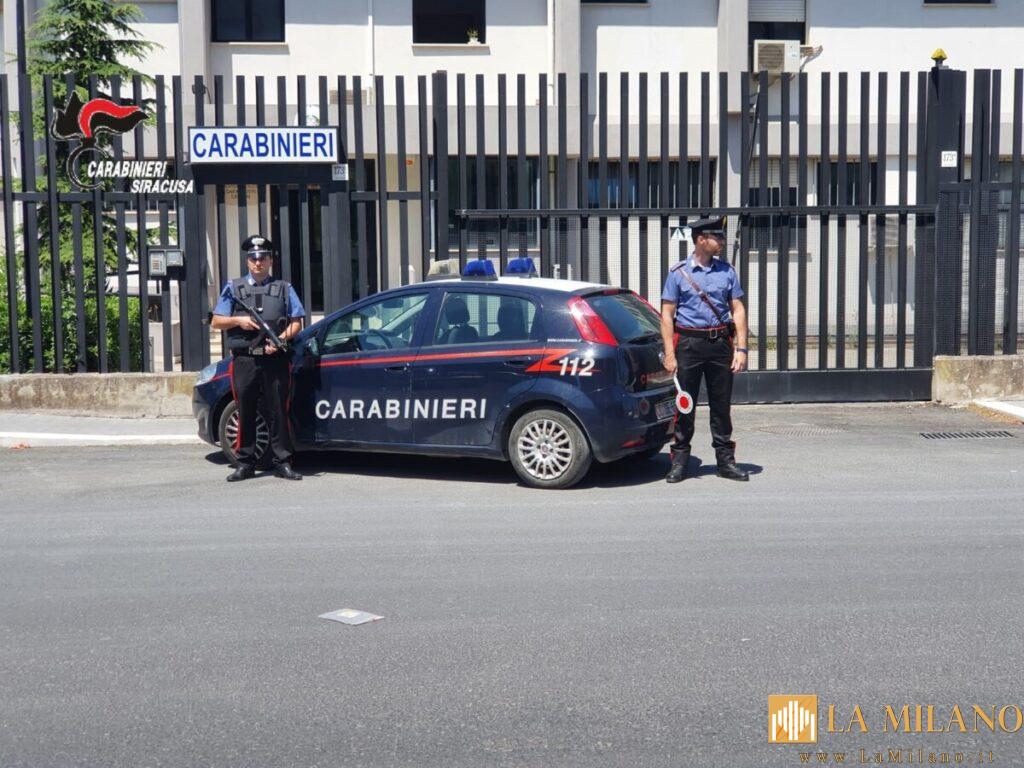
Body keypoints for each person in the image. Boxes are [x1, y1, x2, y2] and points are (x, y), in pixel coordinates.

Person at [660, 217, 750, 483]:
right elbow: (667, 314)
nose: (721, 242)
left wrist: (741, 349)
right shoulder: (678, 273)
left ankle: (725, 462)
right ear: (701, 240)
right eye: (717, 237)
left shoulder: (727, 272)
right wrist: (670, 353)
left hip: (720, 345)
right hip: (689, 345)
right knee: (684, 406)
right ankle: (679, 461)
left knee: (721, 406)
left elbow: (738, 310)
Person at [211, 235, 305, 482]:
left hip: (274, 360)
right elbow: (216, 321)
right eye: (253, 258)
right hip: (245, 361)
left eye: (262, 257)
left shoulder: (285, 288)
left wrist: (281, 340)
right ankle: (245, 463)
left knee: (278, 411)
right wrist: (238, 320)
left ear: (270, 260)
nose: (258, 262)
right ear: (247, 261)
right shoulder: (233, 288)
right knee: (246, 411)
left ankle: (282, 462)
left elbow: (297, 322)